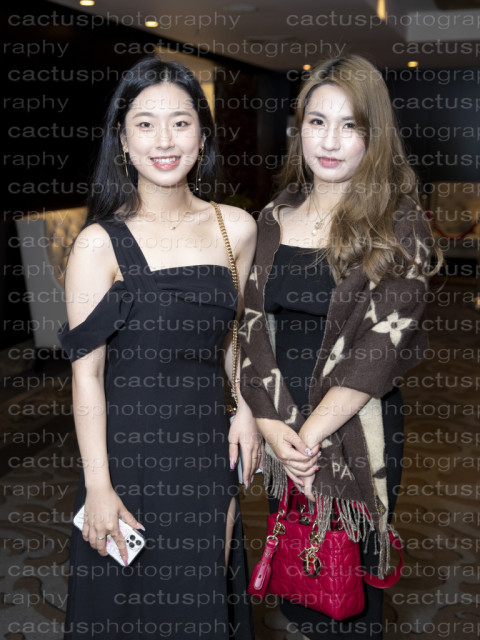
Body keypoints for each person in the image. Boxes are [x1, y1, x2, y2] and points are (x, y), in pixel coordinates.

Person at [240, 55, 441, 640]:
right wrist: (270, 425)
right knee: (302, 570)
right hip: (281, 425)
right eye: (317, 122)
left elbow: (380, 349)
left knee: (349, 586)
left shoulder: (398, 224)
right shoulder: (272, 218)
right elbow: (247, 325)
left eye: (350, 125)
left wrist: (306, 438)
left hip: (353, 428)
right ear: (298, 128)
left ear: (374, 136)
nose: (329, 141)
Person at [59, 56, 259, 640]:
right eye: (145, 124)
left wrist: (245, 407)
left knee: (201, 600)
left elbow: (234, 335)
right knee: (125, 611)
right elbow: (86, 376)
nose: (164, 141)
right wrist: (99, 486)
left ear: (203, 134)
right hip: (126, 455)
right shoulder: (98, 245)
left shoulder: (236, 228)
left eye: (180, 122)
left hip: (206, 449)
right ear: (123, 140)